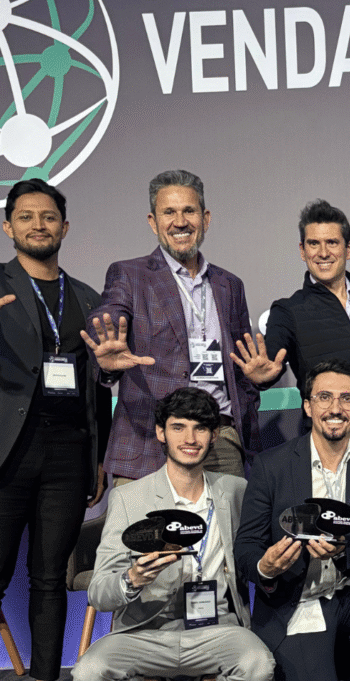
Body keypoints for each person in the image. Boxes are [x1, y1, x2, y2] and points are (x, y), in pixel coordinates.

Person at [0, 178, 110, 681]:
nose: (39, 225)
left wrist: (97, 457)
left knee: (50, 579)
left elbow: (97, 388)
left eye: (49, 216)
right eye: (27, 216)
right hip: (2, 452)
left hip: (67, 453)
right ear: (8, 227)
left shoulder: (88, 297)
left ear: (65, 227)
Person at [233, 359, 350, 681]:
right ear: (307, 406)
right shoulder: (272, 465)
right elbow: (246, 546)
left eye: (347, 399)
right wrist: (266, 567)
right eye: (324, 397)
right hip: (298, 599)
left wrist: (346, 550)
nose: (336, 408)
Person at [72, 387, 273, 681]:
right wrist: (132, 579)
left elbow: (255, 553)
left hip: (217, 629)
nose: (190, 439)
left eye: (200, 428)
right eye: (178, 427)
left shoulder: (235, 491)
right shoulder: (129, 498)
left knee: (258, 664)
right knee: (89, 671)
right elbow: (99, 593)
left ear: (214, 435)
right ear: (161, 432)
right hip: (145, 632)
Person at [83, 169, 258, 482]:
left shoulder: (230, 284)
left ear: (205, 218)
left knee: (230, 517)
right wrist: (105, 354)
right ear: (153, 222)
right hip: (148, 441)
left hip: (218, 440)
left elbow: (244, 366)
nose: (180, 222)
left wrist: (258, 384)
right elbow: (109, 316)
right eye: (169, 212)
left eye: (189, 211)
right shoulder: (130, 274)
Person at [232, 199, 350, 455]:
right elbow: (271, 359)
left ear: (348, 248)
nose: (323, 253)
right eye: (313, 243)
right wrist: (264, 378)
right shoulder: (288, 310)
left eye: (332, 242)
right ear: (302, 250)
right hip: (331, 445)